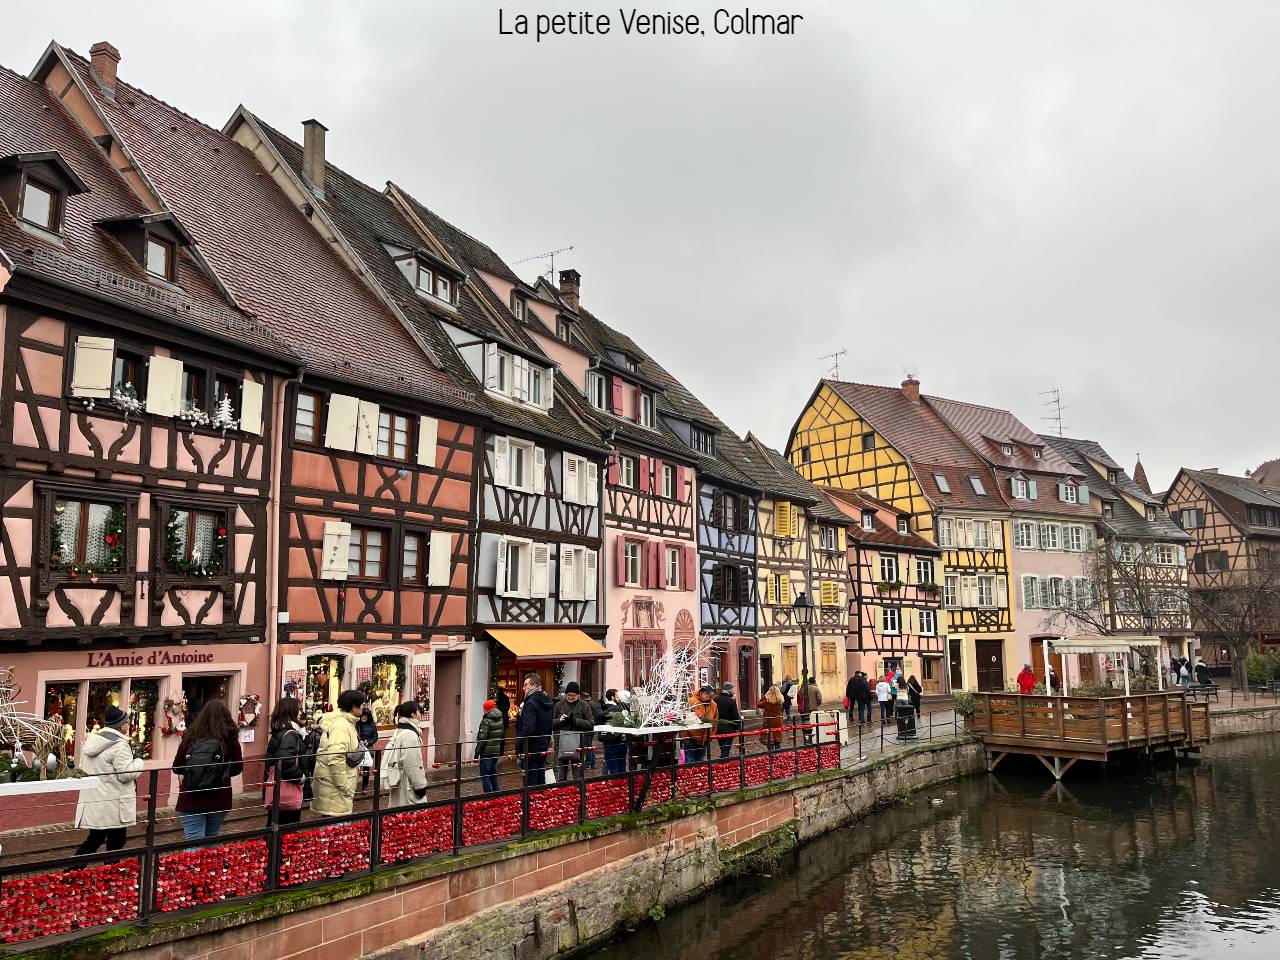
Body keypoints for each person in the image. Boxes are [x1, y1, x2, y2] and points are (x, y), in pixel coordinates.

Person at [74, 705, 144, 856]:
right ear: (121, 725)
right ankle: (111, 875)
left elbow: (82, 768)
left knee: (94, 840)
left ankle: (72, 872)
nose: (129, 725)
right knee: (116, 842)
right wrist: (139, 760)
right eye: (127, 722)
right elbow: (126, 774)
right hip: (114, 803)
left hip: (96, 802)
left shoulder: (92, 742)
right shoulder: (120, 745)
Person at [173, 699, 243, 842]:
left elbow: (177, 766)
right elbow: (237, 768)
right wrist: (220, 774)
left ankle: (192, 865)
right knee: (212, 838)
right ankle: (210, 865)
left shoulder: (191, 734)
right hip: (219, 796)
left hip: (191, 796)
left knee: (193, 840)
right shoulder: (229, 737)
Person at [312, 689, 367, 816]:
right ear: (354, 707)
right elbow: (335, 757)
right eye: (362, 704)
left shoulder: (346, 722)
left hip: (333, 785)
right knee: (334, 828)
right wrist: (344, 785)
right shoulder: (341, 726)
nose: (364, 707)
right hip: (334, 787)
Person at [263, 696, 310, 827]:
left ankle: (272, 847)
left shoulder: (280, 731)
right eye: (299, 709)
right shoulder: (290, 734)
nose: (300, 712)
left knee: (275, 825)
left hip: (279, 789)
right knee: (287, 828)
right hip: (287, 790)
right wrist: (301, 777)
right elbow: (284, 763)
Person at [384, 701, 429, 806]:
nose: (420, 714)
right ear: (412, 714)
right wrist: (420, 786)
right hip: (407, 785)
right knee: (410, 817)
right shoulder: (410, 735)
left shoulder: (401, 730)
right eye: (418, 711)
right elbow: (412, 763)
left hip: (400, 781)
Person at [516, 674, 554, 786]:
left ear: (534, 686)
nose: (523, 688)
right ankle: (541, 802)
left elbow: (528, 728)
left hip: (530, 747)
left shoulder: (531, 703)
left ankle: (530, 803)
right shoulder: (547, 701)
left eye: (526, 685)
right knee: (540, 778)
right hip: (542, 745)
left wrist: (519, 745)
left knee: (530, 781)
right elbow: (549, 725)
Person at [474, 698, 505, 793]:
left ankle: (489, 796)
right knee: (493, 773)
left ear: (487, 709)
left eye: (484, 708)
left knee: (485, 775)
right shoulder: (500, 718)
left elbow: (482, 738)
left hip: (486, 753)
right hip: (495, 751)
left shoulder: (486, 721)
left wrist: (476, 753)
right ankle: (496, 794)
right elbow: (502, 734)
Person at [682, 684, 719, 763]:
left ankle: (699, 775)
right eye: (709, 696)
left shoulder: (713, 705)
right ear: (703, 693)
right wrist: (685, 736)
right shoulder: (691, 701)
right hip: (690, 737)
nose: (710, 699)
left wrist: (712, 735)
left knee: (700, 761)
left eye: (712, 697)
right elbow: (683, 719)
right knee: (689, 761)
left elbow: (715, 721)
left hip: (705, 738)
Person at [599, 689, 629, 774]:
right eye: (617, 696)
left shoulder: (604, 708)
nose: (618, 698)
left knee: (612, 767)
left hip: (609, 741)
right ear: (612, 697)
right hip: (620, 740)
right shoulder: (620, 708)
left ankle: (610, 782)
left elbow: (599, 718)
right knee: (621, 767)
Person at [713, 682, 742, 758]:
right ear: (729, 690)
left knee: (722, 747)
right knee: (726, 748)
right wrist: (738, 727)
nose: (733, 692)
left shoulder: (715, 699)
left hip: (718, 727)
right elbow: (735, 715)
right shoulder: (731, 701)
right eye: (732, 690)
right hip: (729, 727)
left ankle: (723, 761)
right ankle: (724, 763)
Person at [356, 705, 380, 790]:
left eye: (366, 716)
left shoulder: (372, 725)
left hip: (367, 746)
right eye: (363, 716)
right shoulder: (357, 724)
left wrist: (368, 742)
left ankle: (364, 786)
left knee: (366, 767)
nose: (364, 718)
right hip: (357, 746)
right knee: (355, 765)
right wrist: (359, 741)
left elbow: (375, 736)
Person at [757, 684, 784, 751]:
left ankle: (771, 756)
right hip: (778, 721)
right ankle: (778, 756)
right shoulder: (780, 700)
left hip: (769, 721)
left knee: (770, 740)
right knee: (777, 740)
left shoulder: (767, 700)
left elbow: (759, 704)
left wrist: (765, 696)